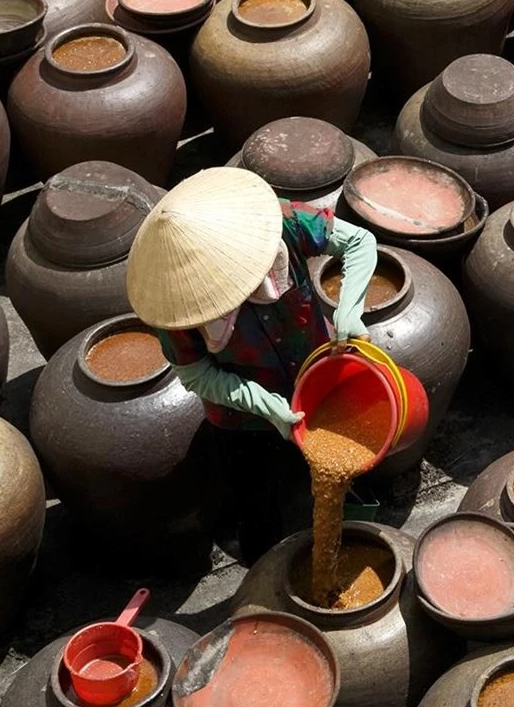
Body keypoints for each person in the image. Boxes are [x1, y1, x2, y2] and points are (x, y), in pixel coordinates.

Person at [126, 166, 378, 561]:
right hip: (239, 415)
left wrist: (349, 309)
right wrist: (262, 404)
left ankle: (352, 536)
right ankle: (265, 564)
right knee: (255, 500)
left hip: (316, 376)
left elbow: (359, 242)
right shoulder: (172, 302)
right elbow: (195, 373)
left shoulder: (277, 221)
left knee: (341, 463)